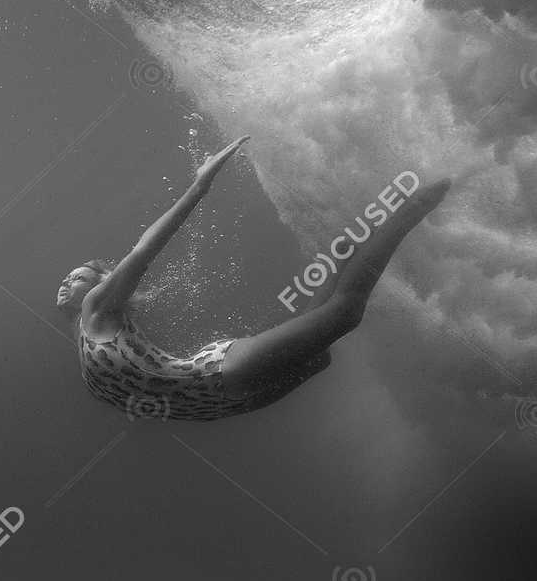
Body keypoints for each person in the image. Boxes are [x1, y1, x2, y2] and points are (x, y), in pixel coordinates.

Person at [56, 136, 451, 420]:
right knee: (320, 353)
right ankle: (349, 244)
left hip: (219, 375)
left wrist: (200, 184)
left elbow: (144, 250)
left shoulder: (97, 310)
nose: (64, 283)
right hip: (224, 404)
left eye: (76, 277)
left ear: (101, 284)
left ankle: (416, 203)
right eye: (70, 279)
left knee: (345, 314)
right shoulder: (82, 336)